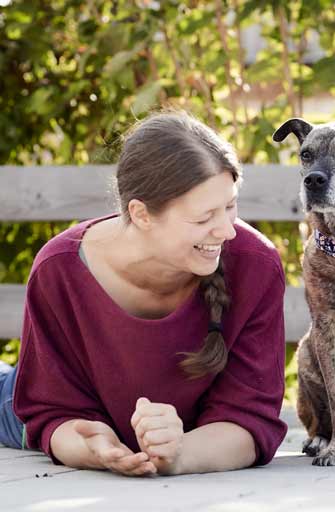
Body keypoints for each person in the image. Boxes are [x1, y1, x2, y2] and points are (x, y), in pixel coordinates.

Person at [0, 111, 287, 476]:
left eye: (230, 206)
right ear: (141, 214)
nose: (227, 231)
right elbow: (51, 411)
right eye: (203, 218)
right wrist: (93, 448)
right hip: (21, 398)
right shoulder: (59, 270)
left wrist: (179, 454)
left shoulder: (256, 266)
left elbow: (249, 419)